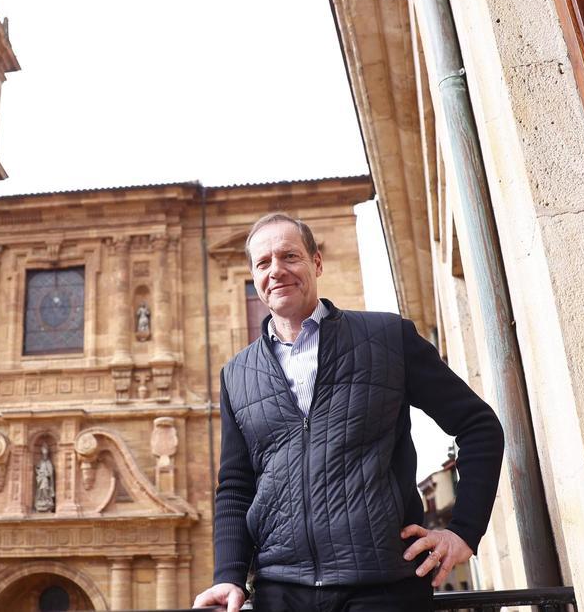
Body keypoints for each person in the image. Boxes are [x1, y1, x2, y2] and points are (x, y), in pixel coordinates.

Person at [193, 213, 504, 612]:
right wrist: (228, 575)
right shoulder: (236, 374)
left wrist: (462, 532)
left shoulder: (388, 338)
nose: (277, 271)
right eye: (263, 263)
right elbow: (236, 486)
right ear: (254, 276)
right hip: (281, 592)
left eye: (290, 256)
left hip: (385, 587)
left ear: (316, 262)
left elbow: (478, 426)